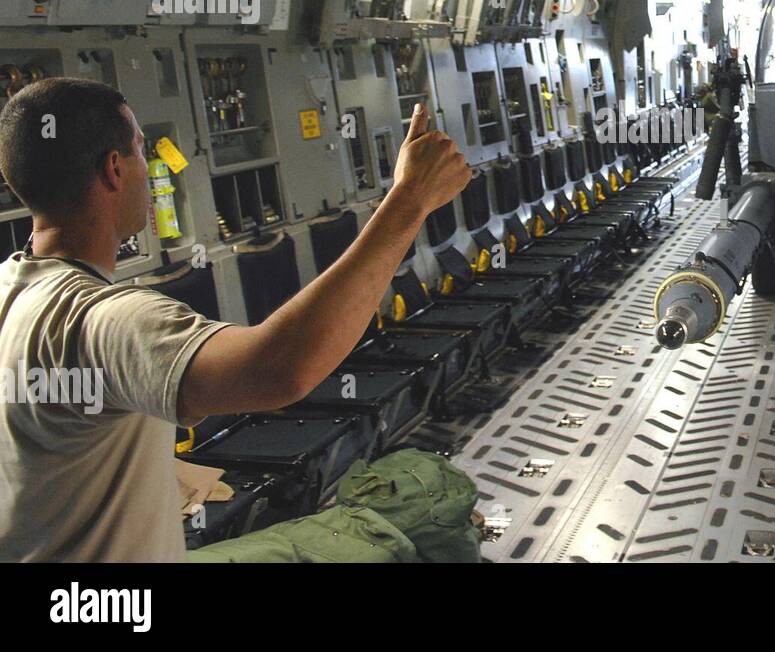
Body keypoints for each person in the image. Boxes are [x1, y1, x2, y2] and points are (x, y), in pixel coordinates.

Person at [0, 78, 471, 561]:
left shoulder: (13, 290)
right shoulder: (101, 321)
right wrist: (408, 201)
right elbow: (276, 369)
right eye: (142, 150)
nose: (149, 165)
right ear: (114, 169)